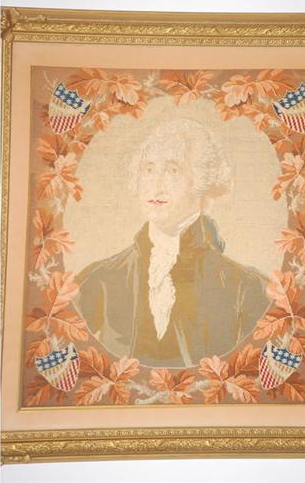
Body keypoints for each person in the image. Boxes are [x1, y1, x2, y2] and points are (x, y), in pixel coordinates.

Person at [74, 118, 270, 368]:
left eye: (172, 170)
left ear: (202, 180)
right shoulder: (99, 279)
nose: (156, 186)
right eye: (148, 169)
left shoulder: (247, 288)